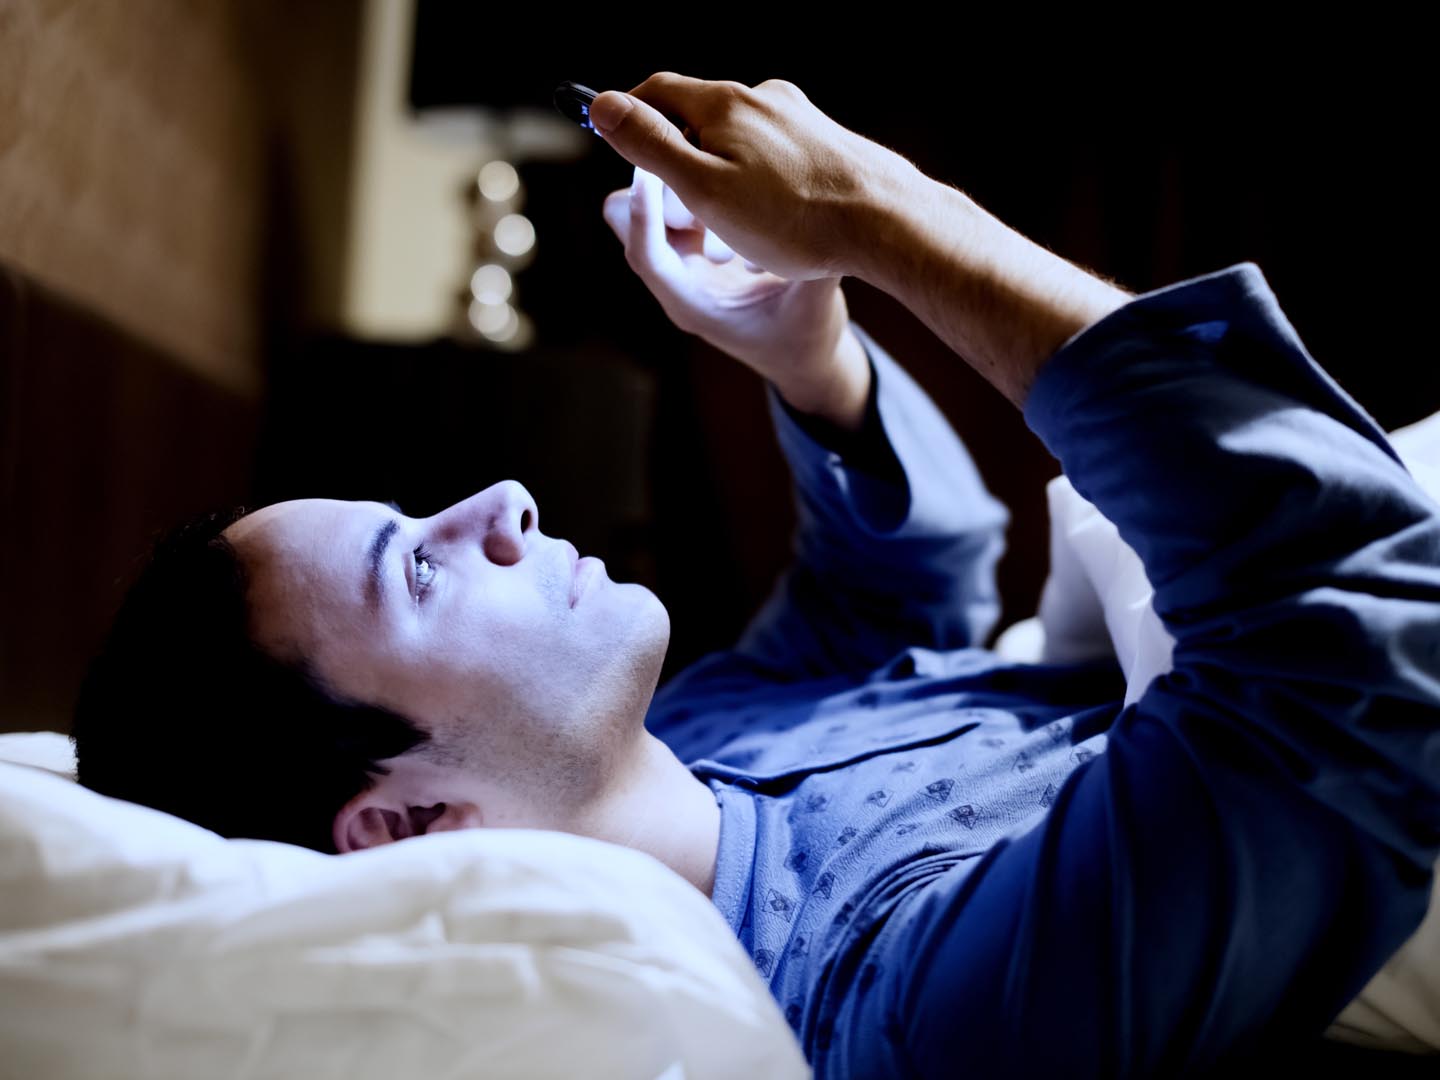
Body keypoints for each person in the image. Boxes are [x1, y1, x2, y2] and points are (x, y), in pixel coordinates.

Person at [71, 74, 1439, 1077]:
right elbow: (1354, 640)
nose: (500, 500)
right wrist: (890, 218)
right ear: (401, 825)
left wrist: (805, 351)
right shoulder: (900, 1015)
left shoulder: (697, 736)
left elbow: (894, 605)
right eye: (417, 575)